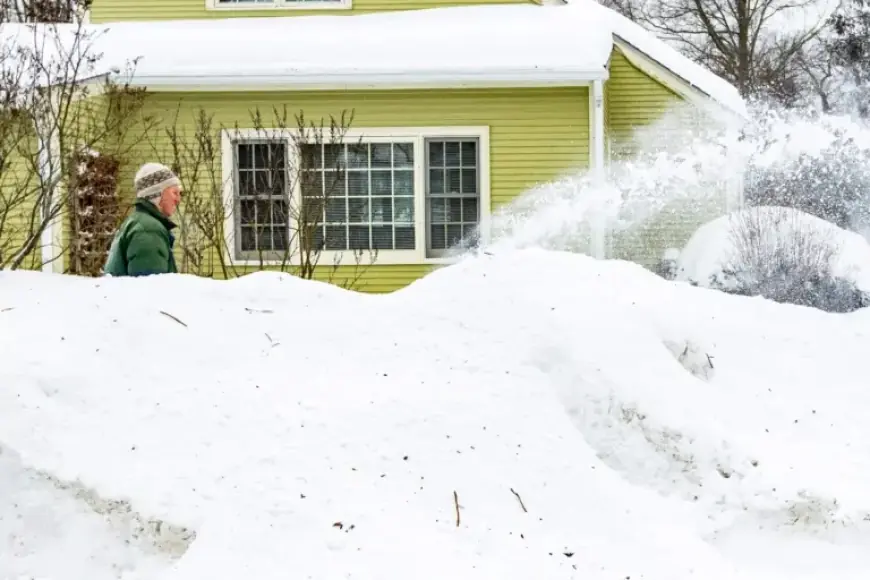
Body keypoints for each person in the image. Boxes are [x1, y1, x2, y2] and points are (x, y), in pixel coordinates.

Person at [103, 162, 183, 277]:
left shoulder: (138, 222)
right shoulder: (148, 230)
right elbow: (149, 291)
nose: (178, 199)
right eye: (174, 193)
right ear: (156, 194)